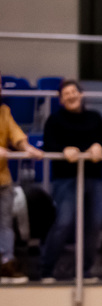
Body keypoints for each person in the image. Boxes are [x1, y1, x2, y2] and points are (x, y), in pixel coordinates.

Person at [36, 79, 102, 282]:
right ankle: (46, 269)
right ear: (61, 100)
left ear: (81, 94)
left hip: (94, 178)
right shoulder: (54, 120)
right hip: (66, 179)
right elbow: (49, 145)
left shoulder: (95, 117)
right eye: (66, 94)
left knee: (95, 223)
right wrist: (64, 150)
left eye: (73, 92)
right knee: (64, 221)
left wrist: (99, 147)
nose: (71, 96)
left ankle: (84, 271)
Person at [0, 81, 44, 281]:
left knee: (5, 224)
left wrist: (27, 147)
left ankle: (6, 264)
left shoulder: (4, 111)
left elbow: (15, 133)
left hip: (3, 179)